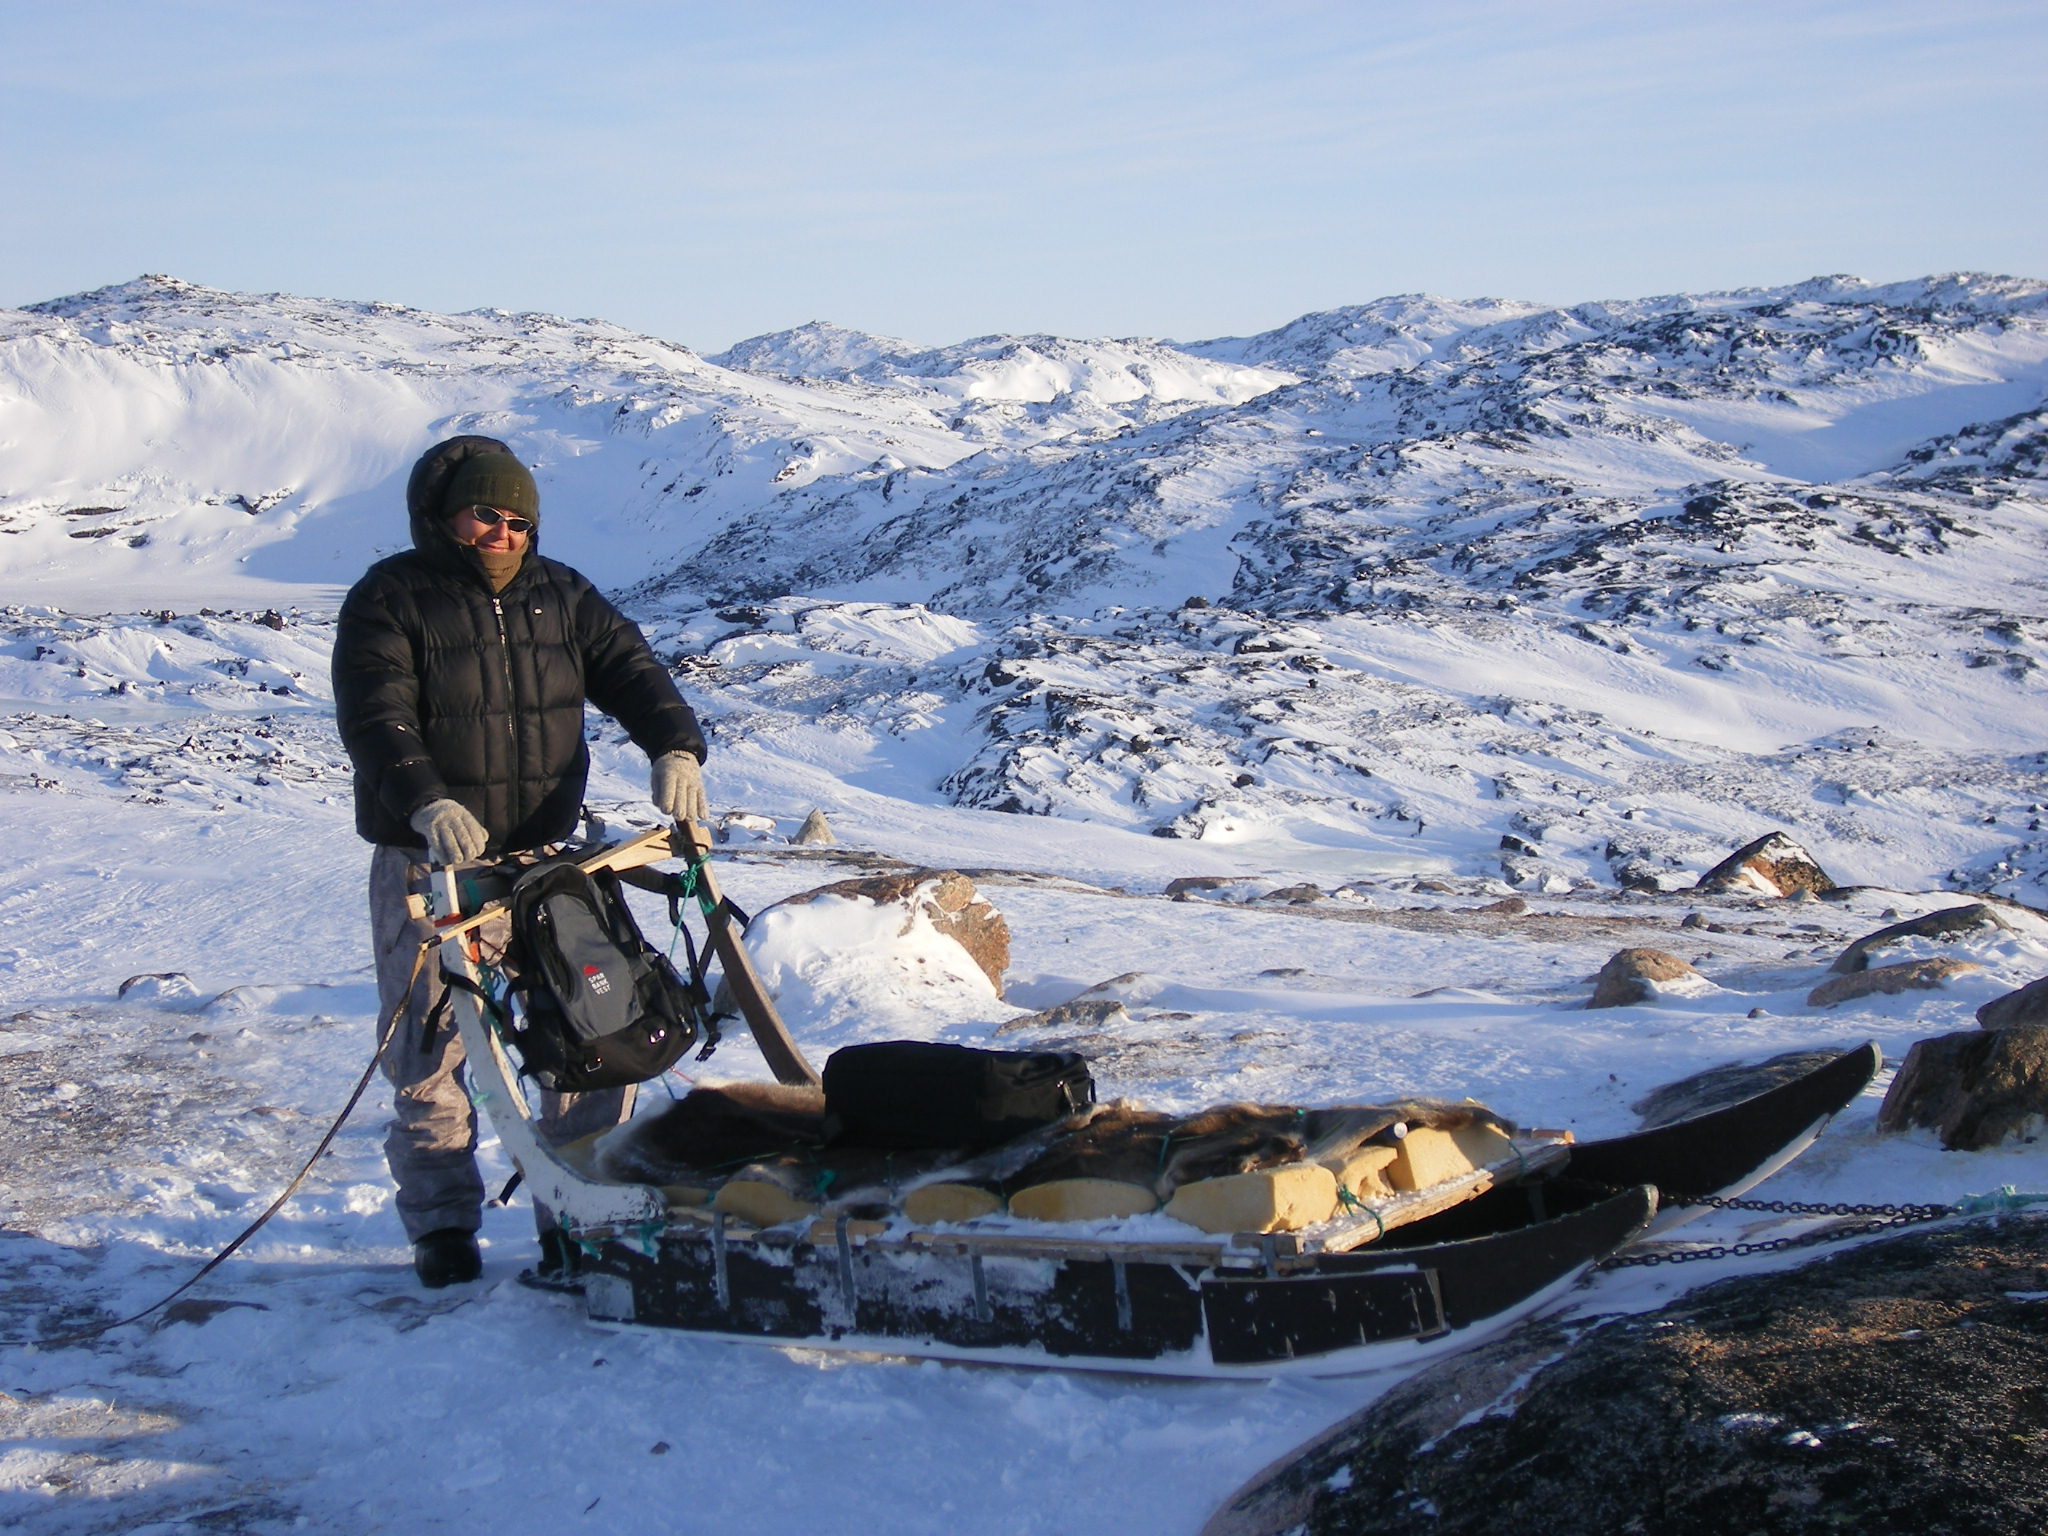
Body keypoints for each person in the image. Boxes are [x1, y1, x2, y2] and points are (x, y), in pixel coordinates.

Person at [332, 434, 710, 1288]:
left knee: (591, 1035)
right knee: (430, 1053)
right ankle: (442, 1229)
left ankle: (577, 1213)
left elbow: (634, 671)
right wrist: (425, 799)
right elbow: (375, 712)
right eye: (484, 515)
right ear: (444, 518)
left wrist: (675, 747)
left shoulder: (562, 595)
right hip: (429, 866)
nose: (503, 534)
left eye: (518, 521)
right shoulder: (391, 598)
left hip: (542, 866)